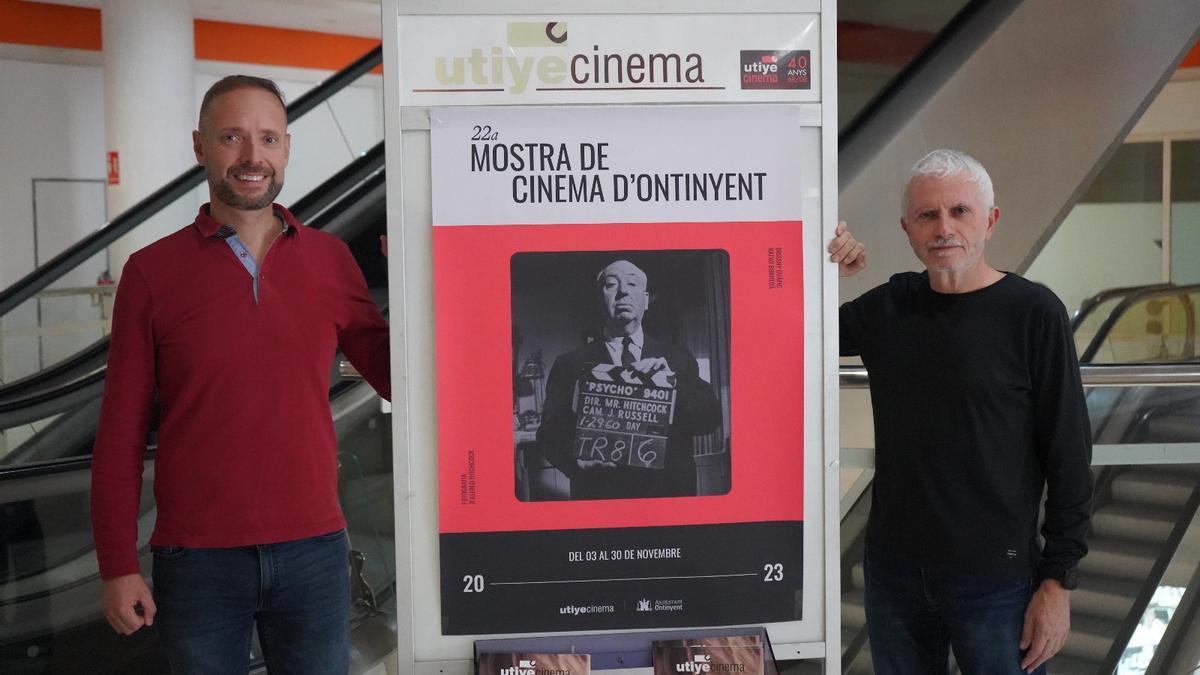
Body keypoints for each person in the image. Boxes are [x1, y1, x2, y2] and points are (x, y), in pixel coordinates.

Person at [90, 75, 390, 674]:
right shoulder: (151, 273)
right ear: (200, 147)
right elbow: (121, 432)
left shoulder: (330, 260)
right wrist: (118, 565)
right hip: (196, 561)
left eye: (268, 138)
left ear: (286, 149)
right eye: (233, 137)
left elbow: (398, 378)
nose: (253, 156)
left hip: (315, 551)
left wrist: (427, 284)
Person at [828, 149, 1093, 674]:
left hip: (999, 579)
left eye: (960, 212)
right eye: (928, 215)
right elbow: (791, 330)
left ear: (990, 221)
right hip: (894, 574)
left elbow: (1068, 451)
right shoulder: (890, 306)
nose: (943, 228)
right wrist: (821, 261)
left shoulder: (1033, 313)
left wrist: (1058, 581)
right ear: (907, 229)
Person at [536, 259, 721, 499]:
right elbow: (549, 434)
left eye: (632, 284)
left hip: (669, 495)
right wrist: (575, 463)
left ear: (645, 300)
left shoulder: (678, 357)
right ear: (598, 299)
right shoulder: (569, 364)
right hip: (601, 495)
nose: (623, 291)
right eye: (611, 284)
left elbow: (710, 419)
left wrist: (673, 388)